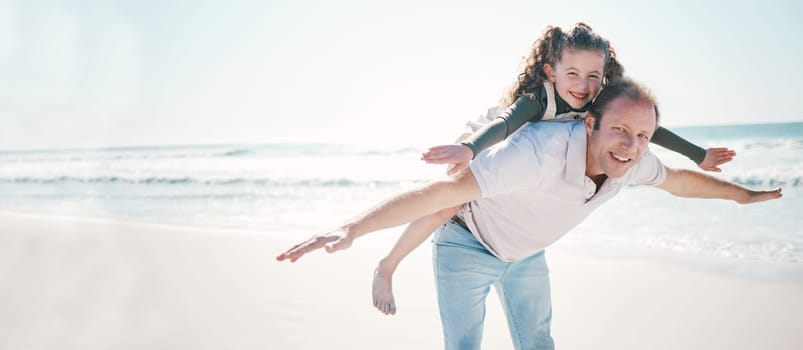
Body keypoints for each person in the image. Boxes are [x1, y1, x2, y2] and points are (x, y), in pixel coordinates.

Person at [276, 77, 781, 349]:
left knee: (539, 342)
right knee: (465, 345)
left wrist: (742, 196)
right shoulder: (537, 152)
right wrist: (353, 228)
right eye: (620, 131)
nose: (631, 147)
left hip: (526, 256)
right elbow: (438, 193)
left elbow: (680, 181)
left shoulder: (632, 162)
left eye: (643, 136)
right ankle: (387, 267)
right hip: (466, 244)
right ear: (588, 124)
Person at [371, 23, 734, 316]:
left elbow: (650, 127)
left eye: (594, 75)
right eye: (572, 73)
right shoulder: (537, 100)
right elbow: (505, 124)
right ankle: (388, 265)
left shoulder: (600, 102)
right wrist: (469, 148)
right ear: (551, 70)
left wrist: (698, 154)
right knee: (448, 205)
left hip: (521, 164)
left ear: (605, 75)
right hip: (492, 139)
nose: (583, 84)